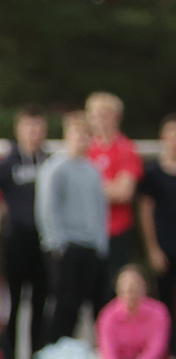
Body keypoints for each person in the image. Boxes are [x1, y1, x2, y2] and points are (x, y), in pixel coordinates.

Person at [0, 107, 50, 359]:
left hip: (45, 241)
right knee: (13, 303)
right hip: (16, 240)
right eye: (28, 128)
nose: (33, 134)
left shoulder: (50, 161)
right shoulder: (8, 162)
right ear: (18, 130)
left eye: (38, 128)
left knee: (42, 302)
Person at [38, 111, 110, 344]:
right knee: (64, 303)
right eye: (77, 134)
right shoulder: (56, 167)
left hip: (91, 245)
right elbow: (47, 207)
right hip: (66, 245)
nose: (82, 139)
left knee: (90, 303)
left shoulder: (93, 170)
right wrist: (56, 243)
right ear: (67, 135)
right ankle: (55, 349)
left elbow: (100, 210)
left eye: (87, 135)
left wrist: (101, 243)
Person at [91, 265, 169, 359]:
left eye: (135, 285)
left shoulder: (158, 313)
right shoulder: (108, 314)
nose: (130, 290)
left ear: (145, 287)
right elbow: (107, 350)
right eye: (126, 285)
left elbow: (156, 350)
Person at [86, 92, 143, 293]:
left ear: (117, 117)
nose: (101, 120)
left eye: (106, 114)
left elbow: (124, 192)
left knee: (111, 290)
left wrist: (88, 188)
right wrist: (108, 186)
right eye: (96, 114)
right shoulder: (85, 149)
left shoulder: (126, 149)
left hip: (116, 231)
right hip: (86, 232)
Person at [135, 113, 176, 316]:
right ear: (163, 136)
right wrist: (152, 249)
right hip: (164, 248)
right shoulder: (153, 173)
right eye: (172, 132)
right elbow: (145, 211)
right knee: (163, 304)